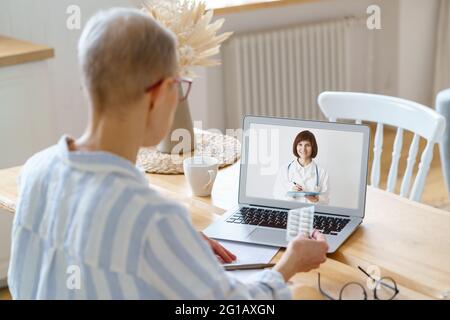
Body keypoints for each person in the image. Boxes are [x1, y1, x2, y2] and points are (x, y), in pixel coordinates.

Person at [8, 8, 328, 299]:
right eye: (179, 85)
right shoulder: (152, 219)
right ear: (159, 94)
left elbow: (23, 283)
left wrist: (177, 247)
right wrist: (290, 263)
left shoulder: (37, 170)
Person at [273, 130, 330, 204]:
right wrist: (291, 194)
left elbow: (326, 201)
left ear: (313, 148)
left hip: (312, 213)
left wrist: (312, 198)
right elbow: (277, 196)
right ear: (296, 146)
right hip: (289, 212)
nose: (303, 149)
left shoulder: (322, 172)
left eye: (307, 145)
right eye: (300, 144)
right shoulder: (284, 169)